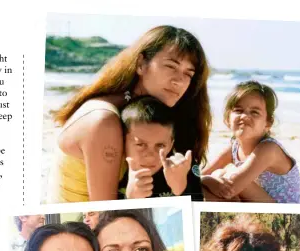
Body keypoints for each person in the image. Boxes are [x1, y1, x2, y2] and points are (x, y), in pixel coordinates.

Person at [46, 25, 211, 203]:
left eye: (188, 74)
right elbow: (105, 214)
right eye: (171, 66)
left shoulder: (144, 115)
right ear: (141, 64)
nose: (179, 81)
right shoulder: (104, 121)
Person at [201, 80, 300, 203]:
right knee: (216, 176)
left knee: (224, 175)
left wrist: (207, 180)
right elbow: (198, 176)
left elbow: (231, 188)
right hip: (261, 207)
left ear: (268, 123)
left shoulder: (269, 149)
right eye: (239, 110)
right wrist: (205, 179)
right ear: (227, 119)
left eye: (255, 112)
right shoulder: (234, 147)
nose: (245, 116)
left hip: (286, 216)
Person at [118, 96, 203, 200]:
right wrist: (131, 198)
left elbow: (198, 212)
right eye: (140, 145)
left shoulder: (183, 167)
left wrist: (180, 188)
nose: (150, 156)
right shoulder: (114, 172)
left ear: (171, 145)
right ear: (123, 141)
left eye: (160, 146)